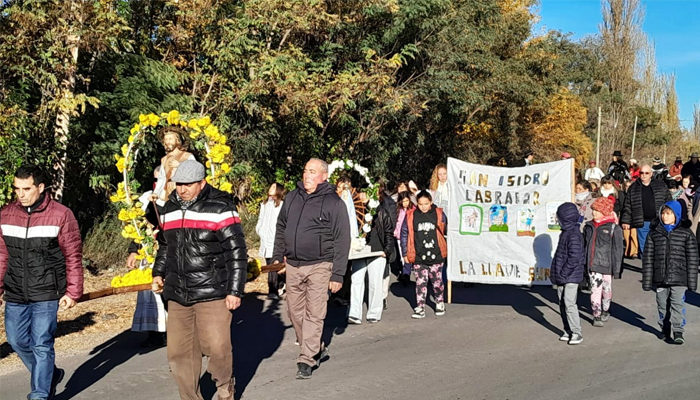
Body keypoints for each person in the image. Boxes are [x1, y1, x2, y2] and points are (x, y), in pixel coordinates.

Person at [152, 160, 247, 400]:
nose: (181, 189)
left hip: (212, 290)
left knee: (217, 348)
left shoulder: (220, 206)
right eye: (178, 184)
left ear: (202, 183)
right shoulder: (169, 207)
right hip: (177, 292)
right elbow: (165, 246)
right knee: (179, 354)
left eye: (188, 184)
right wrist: (158, 272)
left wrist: (235, 290)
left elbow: (236, 251)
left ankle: (224, 386)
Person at [0, 165, 83, 400]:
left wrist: (73, 291)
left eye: (26, 189)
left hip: (47, 290)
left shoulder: (61, 214)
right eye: (17, 189)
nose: (21, 194)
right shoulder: (5, 214)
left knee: (41, 343)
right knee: (16, 341)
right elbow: (1, 255)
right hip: (15, 290)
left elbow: (73, 255)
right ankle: (51, 375)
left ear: (41, 187)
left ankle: (39, 394)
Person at [271, 158, 351, 379]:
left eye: (313, 172)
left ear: (324, 176)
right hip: (293, 265)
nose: (307, 175)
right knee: (294, 312)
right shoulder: (293, 197)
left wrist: (337, 274)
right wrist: (278, 256)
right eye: (305, 170)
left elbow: (342, 239)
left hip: (320, 265)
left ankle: (307, 358)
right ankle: (317, 346)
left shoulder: (334, 203)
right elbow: (281, 226)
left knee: (314, 313)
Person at [642, 201, 699, 344]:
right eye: (663, 213)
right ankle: (664, 327)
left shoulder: (686, 233)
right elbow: (648, 258)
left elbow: (692, 259)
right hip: (660, 276)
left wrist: (692, 282)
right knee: (662, 304)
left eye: (669, 214)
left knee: (677, 303)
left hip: (679, 277)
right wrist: (647, 281)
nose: (665, 216)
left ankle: (678, 330)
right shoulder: (654, 233)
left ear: (677, 215)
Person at [128, 167, 167, 348]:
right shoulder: (147, 198)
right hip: (149, 249)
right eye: (156, 179)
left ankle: (172, 330)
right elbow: (140, 225)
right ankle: (154, 331)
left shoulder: (177, 196)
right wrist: (134, 250)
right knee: (149, 292)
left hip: (168, 250)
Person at [348, 191, 395, 324]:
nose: (362, 197)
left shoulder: (380, 211)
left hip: (377, 250)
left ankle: (374, 312)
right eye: (360, 194)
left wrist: (387, 250)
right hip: (358, 251)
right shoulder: (353, 211)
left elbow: (388, 230)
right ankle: (354, 313)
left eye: (365, 194)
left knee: (375, 282)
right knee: (356, 280)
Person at [400, 191, 447, 319]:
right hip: (418, 255)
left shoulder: (438, 214)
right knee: (420, 283)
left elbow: (446, 229)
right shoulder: (411, 215)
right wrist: (405, 252)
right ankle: (420, 307)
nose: (423, 207)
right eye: (420, 204)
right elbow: (404, 233)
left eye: (426, 204)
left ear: (431, 202)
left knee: (437, 282)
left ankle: (439, 302)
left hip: (436, 254)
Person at [583, 197, 623, 327]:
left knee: (607, 288)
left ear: (605, 211)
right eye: (593, 210)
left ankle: (606, 308)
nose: (594, 213)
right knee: (595, 289)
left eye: (597, 210)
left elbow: (618, 250)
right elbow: (585, 245)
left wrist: (617, 269)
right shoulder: (589, 226)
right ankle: (597, 314)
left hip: (607, 265)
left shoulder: (613, 228)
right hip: (592, 264)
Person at [550, 203, 584, 345]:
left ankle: (577, 332)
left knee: (569, 303)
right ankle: (568, 330)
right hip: (563, 275)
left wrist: (564, 272)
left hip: (571, 275)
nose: (557, 219)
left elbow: (574, 257)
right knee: (562, 303)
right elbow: (560, 255)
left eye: (559, 217)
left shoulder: (574, 235)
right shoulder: (565, 232)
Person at [621, 164, 671, 259]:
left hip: (658, 221)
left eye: (646, 173)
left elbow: (668, 202)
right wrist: (626, 221)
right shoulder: (633, 187)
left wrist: (669, 218)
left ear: (651, 174)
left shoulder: (660, 186)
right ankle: (647, 268)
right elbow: (627, 205)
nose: (644, 175)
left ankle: (657, 266)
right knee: (644, 247)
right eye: (641, 173)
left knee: (659, 246)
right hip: (641, 222)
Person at [256, 182, 286, 300]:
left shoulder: (282, 205)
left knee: (274, 265)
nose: (271, 188)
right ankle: (281, 283)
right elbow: (261, 219)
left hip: (276, 240)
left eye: (274, 187)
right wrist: (259, 230)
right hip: (265, 239)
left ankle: (273, 291)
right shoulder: (264, 204)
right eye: (271, 186)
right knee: (270, 264)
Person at [153, 126, 195, 202]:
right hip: (169, 192)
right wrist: (156, 193)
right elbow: (162, 178)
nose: (168, 141)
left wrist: (180, 165)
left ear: (177, 140)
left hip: (184, 189)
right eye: (166, 139)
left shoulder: (187, 156)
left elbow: (195, 172)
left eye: (170, 139)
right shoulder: (164, 159)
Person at [394, 191, 415, 286]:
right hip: (399, 236)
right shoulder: (398, 210)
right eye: (403, 201)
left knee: (409, 255)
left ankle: (406, 274)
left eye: (407, 200)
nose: (405, 203)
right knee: (403, 257)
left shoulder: (413, 209)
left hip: (410, 236)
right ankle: (405, 274)